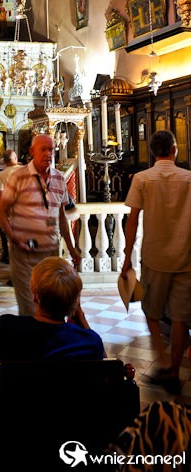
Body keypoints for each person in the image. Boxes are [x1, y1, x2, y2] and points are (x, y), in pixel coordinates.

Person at [121, 129, 191, 394]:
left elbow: (132, 220)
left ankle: (162, 362)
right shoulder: (189, 179)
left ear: (152, 152)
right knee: (181, 318)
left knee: (151, 313)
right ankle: (174, 370)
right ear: (174, 150)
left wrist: (127, 256)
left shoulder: (142, 178)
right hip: (186, 258)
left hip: (155, 258)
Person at [0, 257, 104, 377]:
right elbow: (107, 370)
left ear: (35, 296)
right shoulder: (89, 342)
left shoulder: (6, 328)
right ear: (75, 302)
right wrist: (81, 319)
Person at [0, 133, 80, 315]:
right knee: (29, 308)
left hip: (50, 251)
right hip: (24, 252)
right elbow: (1, 211)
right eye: (43, 149)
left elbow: (61, 216)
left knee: (50, 307)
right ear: (32, 151)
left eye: (51, 149)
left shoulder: (59, 178)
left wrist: (72, 249)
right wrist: (14, 238)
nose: (48, 153)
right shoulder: (18, 177)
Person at [0, 149, 21, 264]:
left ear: (4, 161)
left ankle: (8, 257)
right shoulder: (26, 171)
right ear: (16, 159)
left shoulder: (1, 176)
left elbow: (0, 198)